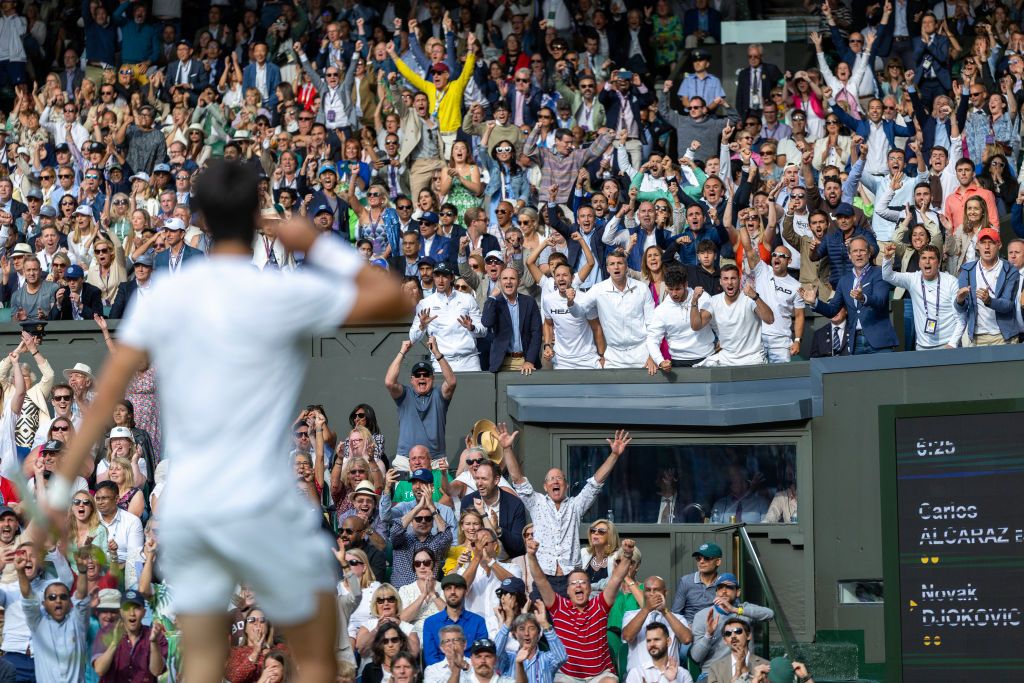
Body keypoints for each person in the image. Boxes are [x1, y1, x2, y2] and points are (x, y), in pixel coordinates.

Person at [56, 161, 410, 683]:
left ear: (198, 218)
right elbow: (392, 297)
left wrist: (59, 489)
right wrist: (310, 239)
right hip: (263, 502)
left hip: (192, 506)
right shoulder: (280, 291)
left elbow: (108, 392)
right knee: (315, 659)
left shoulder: (168, 297)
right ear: (255, 213)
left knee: (200, 665)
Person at [503, 426, 630, 595]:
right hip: (543, 578)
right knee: (542, 620)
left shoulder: (575, 506)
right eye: (551, 479)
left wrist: (614, 455)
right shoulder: (537, 503)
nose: (555, 481)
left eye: (559, 478)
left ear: (566, 485)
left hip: (570, 579)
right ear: (545, 486)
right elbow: (517, 479)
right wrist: (506, 448)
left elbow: (595, 483)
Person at [526, 536, 633, 683]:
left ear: (589, 588)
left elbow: (616, 579)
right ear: (568, 590)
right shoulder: (558, 607)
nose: (578, 586)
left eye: (583, 582)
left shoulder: (600, 605)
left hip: (600, 675)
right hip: (567, 676)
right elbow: (541, 580)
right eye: (573, 583)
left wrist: (627, 555)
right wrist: (531, 556)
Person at [802, 237, 899, 355]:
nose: (858, 254)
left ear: (869, 254)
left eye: (862, 250)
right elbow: (832, 310)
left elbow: (881, 301)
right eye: (854, 251)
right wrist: (814, 302)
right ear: (849, 255)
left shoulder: (879, 273)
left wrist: (863, 298)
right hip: (855, 341)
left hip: (879, 340)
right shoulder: (844, 281)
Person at [567, 250, 656, 370]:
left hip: (642, 355)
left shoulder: (642, 288)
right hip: (614, 358)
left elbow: (652, 325)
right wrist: (571, 302)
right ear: (607, 269)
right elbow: (578, 312)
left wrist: (652, 355)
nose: (616, 267)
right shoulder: (598, 289)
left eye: (620, 263)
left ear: (626, 266)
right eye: (612, 264)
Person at [18, 550, 90, 683]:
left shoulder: (78, 622)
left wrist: (83, 572)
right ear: (44, 603)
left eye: (63, 597)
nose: (58, 600)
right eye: (52, 597)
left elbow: (81, 596)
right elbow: (28, 598)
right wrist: (21, 572)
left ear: (69, 602)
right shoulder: (37, 624)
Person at [385, 339, 456, 467]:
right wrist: (402, 352)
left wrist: (436, 352)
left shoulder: (438, 395)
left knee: (440, 488)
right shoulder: (405, 394)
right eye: (418, 375)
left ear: (433, 378)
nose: (422, 377)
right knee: (404, 488)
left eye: (426, 374)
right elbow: (389, 382)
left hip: (435, 460)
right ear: (412, 380)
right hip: (406, 460)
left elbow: (451, 382)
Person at [881, 243, 963, 349]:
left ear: (938, 263)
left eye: (931, 258)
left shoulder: (951, 281)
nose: (927, 261)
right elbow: (888, 276)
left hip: (948, 345)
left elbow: (961, 317)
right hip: (922, 347)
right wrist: (887, 258)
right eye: (923, 258)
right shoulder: (913, 279)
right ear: (919, 263)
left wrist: (953, 343)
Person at [688, 574, 774, 675]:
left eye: (729, 587)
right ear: (716, 592)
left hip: (744, 671)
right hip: (713, 673)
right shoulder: (702, 616)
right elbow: (696, 657)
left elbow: (770, 614)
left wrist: (735, 610)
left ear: (737, 592)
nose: (724, 591)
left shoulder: (744, 610)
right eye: (720, 588)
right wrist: (708, 635)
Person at [691, 265, 775, 366]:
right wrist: (694, 300)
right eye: (725, 279)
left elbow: (770, 319)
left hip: (753, 358)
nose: (729, 282)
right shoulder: (713, 301)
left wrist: (755, 297)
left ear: (739, 280)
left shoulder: (750, 299)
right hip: (727, 359)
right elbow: (696, 326)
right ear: (720, 281)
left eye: (733, 278)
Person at [410, 262, 486, 372]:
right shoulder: (425, 303)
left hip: (469, 361)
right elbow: (413, 338)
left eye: (444, 276)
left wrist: (472, 327)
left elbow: (483, 331)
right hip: (441, 362)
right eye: (437, 276)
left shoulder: (468, 299)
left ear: (451, 278)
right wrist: (422, 326)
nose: (440, 280)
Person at [953, 228, 1021, 346]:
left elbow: (1008, 305)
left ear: (999, 245)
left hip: (1004, 337)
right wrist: (959, 300)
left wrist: (989, 301)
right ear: (977, 246)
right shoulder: (967, 270)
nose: (987, 246)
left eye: (991, 242)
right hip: (977, 337)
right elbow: (961, 309)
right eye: (983, 243)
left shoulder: (1010, 270)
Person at [646, 263, 716, 371]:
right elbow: (652, 339)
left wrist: (694, 302)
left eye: (678, 289)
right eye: (670, 289)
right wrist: (660, 361)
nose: (674, 293)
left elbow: (706, 325)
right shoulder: (661, 310)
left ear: (686, 284)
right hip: (679, 363)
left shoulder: (703, 298)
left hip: (707, 358)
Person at [91, 589, 168, 680]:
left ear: (143, 612)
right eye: (127, 608)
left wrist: (154, 643)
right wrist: (114, 643)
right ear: (121, 612)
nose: (132, 613)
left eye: (136, 608)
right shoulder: (106, 633)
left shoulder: (156, 636)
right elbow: (99, 670)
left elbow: (157, 671)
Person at [459, 459, 526, 560]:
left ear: (496, 480)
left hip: (507, 562)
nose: (479, 483)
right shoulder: (468, 501)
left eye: (484, 479)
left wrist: (498, 530)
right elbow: (464, 537)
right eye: (477, 478)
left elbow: (519, 546)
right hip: (475, 561)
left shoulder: (514, 504)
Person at [481, 267, 542, 374]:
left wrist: (530, 361)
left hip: (525, 361)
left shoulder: (529, 302)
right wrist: (491, 297)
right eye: (505, 278)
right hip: (501, 362)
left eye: (512, 278)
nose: (508, 281)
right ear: (500, 282)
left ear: (518, 282)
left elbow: (536, 333)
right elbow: (487, 322)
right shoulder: (495, 302)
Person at [422, 574, 488, 666]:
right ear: (444, 592)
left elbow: (480, 654)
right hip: (440, 674)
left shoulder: (478, 622)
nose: (453, 592)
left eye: (458, 588)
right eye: (448, 588)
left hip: (470, 672)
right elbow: (430, 658)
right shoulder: (430, 622)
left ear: (465, 591)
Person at [494, 604, 567, 683]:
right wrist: (509, 620)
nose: (526, 633)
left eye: (532, 628)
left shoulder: (546, 659)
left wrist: (544, 623)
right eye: (521, 629)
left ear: (538, 633)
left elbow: (561, 657)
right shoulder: (508, 659)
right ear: (515, 633)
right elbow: (494, 653)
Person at [671, 543, 723, 625]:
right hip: (690, 631)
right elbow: (675, 613)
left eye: (707, 558)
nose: (701, 561)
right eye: (698, 558)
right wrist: (686, 627)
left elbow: (733, 610)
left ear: (718, 562)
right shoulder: (685, 581)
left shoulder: (724, 583)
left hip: (716, 629)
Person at [623, 622, 693, 683]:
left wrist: (673, 680)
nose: (652, 644)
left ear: (668, 641)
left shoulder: (683, 674)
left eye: (656, 639)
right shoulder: (636, 673)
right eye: (649, 641)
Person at [705, 617, 769, 683]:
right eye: (728, 633)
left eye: (738, 631)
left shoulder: (765, 664)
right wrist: (737, 674)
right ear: (725, 640)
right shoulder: (716, 668)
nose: (733, 636)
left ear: (748, 636)